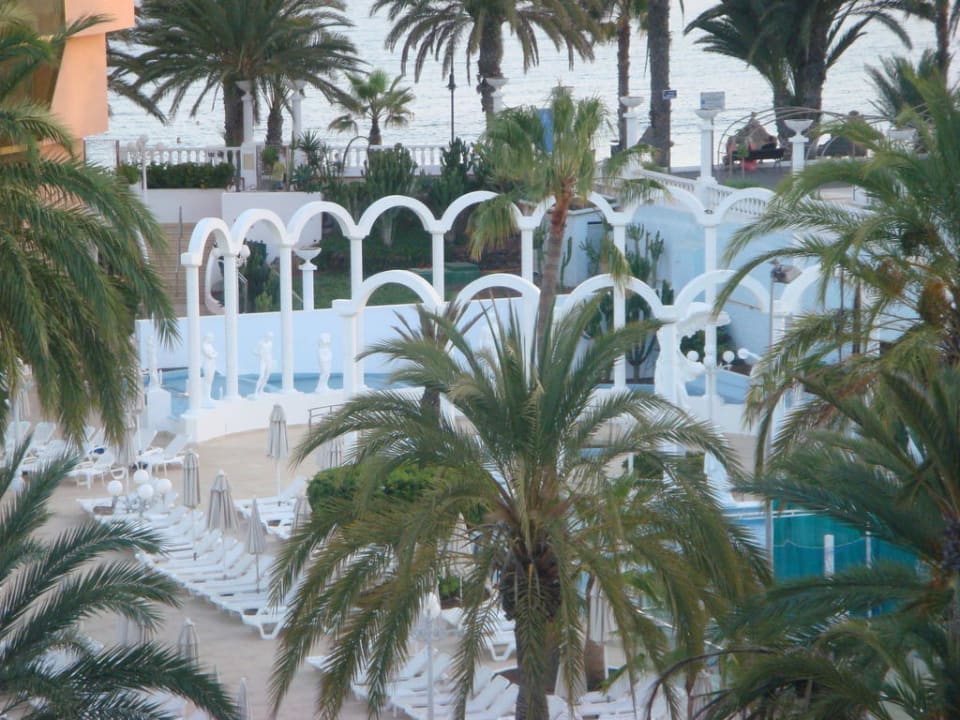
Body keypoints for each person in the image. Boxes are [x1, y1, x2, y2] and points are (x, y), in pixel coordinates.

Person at [254, 332, 273, 396]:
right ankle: (256, 391)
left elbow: (270, 352)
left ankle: (261, 390)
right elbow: (254, 351)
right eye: (269, 337)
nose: (270, 338)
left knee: (267, 376)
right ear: (266, 336)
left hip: (269, 360)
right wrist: (259, 354)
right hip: (263, 361)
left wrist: (270, 360)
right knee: (261, 376)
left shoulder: (270, 343)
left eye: (271, 337)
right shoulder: (261, 343)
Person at [201, 334, 217, 403]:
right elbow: (211, 355)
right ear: (208, 338)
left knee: (210, 381)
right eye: (211, 338)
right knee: (207, 381)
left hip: (212, 364)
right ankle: (205, 397)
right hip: (207, 364)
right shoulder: (203, 346)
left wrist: (214, 354)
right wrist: (214, 354)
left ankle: (208, 396)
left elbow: (214, 354)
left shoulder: (210, 345)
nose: (212, 339)